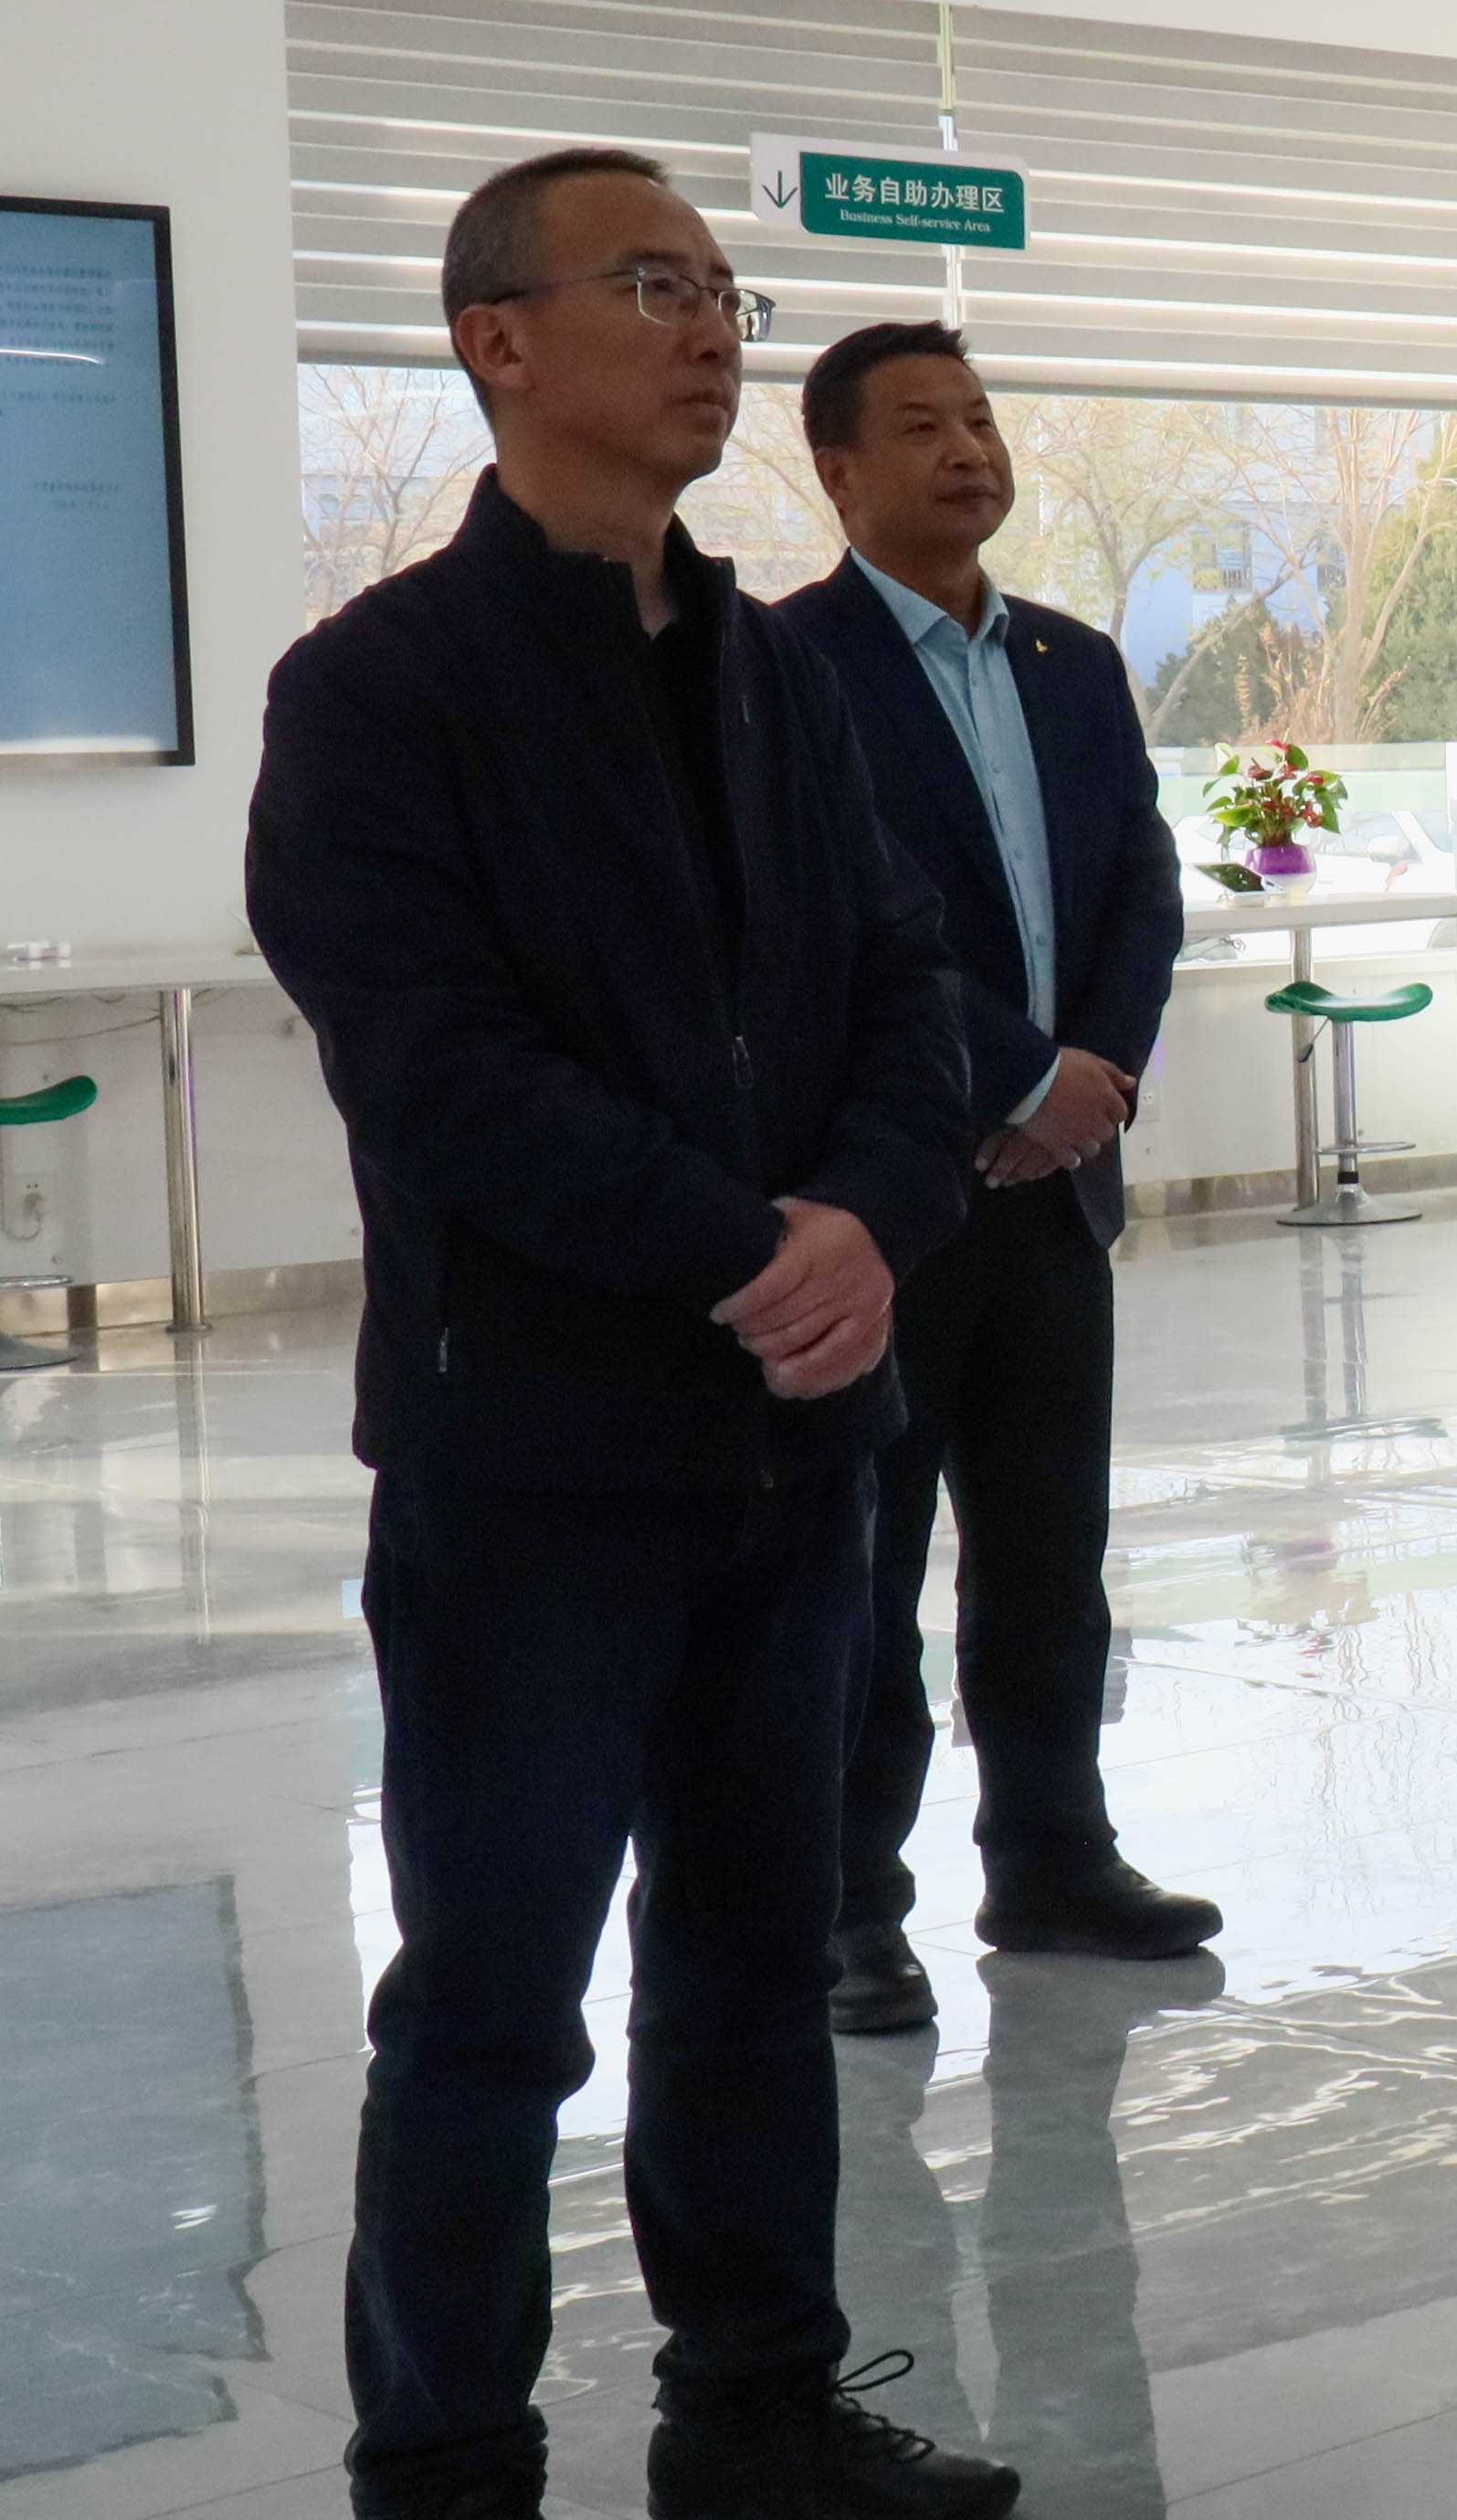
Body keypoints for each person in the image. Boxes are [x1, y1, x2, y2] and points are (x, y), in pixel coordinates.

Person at [246, 147, 1015, 2519]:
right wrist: (744, 1248)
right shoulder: (379, 692)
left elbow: (907, 985)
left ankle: (759, 2407)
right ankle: (446, 2455)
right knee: (492, 1997)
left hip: (798, 1446)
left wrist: (869, 1221)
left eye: (723, 292)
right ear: (497, 340)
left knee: (757, 1960)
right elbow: (438, 1065)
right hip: (535, 1459)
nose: (709, 332)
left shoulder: (779, 673)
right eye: (652, 285)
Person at [773, 322, 1216, 2035]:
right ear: (837, 471)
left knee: (1047, 1556)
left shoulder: (1071, 661)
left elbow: (1142, 886)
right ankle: (845, 1907)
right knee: (865, 1568)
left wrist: (1093, 1075)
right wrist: (1020, 1074)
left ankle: (1052, 1859)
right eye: (921, 428)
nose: (968, 450)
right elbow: (832, 919)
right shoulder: (786, 666)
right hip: (889, 1195)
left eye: (978, 419)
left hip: (1053, 1194)